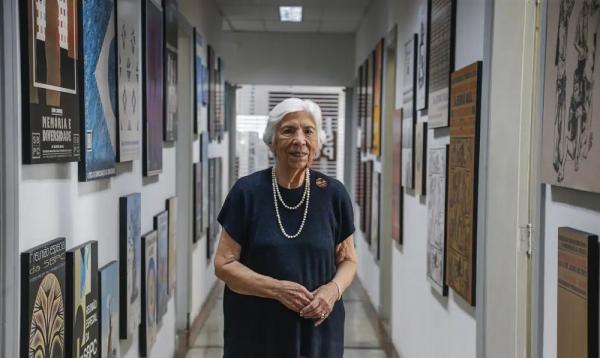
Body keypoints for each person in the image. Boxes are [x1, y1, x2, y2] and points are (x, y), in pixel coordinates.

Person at [214, 98, 358, 357]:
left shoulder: (334, 194)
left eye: (308, 131)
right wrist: (277, 290)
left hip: (317, 330)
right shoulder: (247, 193)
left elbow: (348, 260)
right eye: (288, 130)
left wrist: (333, 290)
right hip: (256, 332)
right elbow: (224, 264)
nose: (300, 140)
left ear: (317, 142)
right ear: (272, 141)